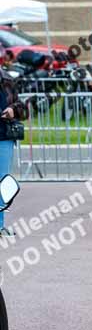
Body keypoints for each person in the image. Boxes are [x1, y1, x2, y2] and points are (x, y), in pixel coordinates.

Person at [0, 69, 25, 236]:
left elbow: (23, 107)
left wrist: (13, 110)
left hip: (4, 138)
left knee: (2, 182)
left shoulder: (7, 80)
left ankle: (0, 225)